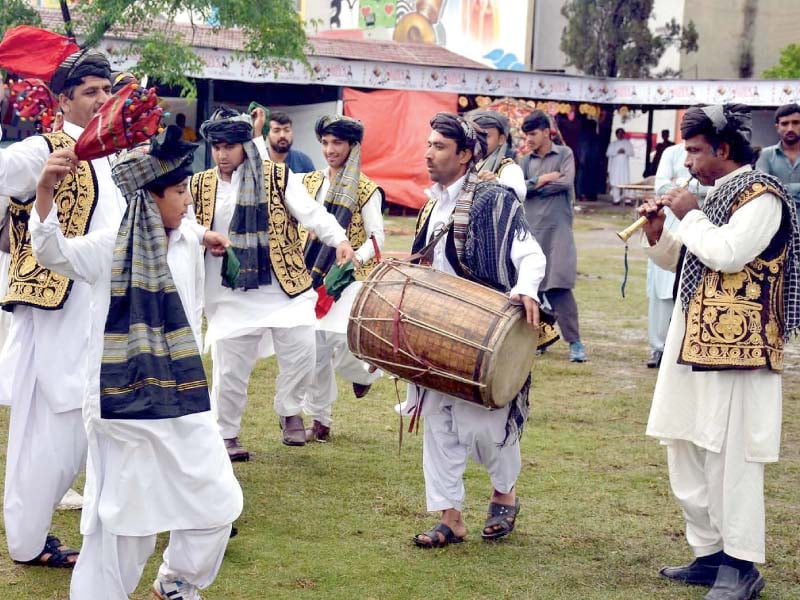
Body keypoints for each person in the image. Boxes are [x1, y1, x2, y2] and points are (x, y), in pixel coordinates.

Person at [29, 125, 242, 600]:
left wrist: (208, 236)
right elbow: (51, 251)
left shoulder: (186, 239)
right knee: (126, 525)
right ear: (149, 198)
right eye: (180, 191)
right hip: (123, 406)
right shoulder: (108, 249)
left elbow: (191, 230)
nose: (188, 201)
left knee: (218, 504)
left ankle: (175, 585)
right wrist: (45, 190)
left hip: (185, 397)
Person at [639, 104, 800, 600]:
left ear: (723, 150)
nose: (686, 161)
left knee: (731, 457)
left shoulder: (762, 197)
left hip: (741, 348)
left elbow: (727, 253)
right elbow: (684, 260)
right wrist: (657, 233)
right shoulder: (711, 197)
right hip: (692, 339)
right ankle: (708, 554)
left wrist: (688, 214)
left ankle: (741, 564)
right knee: (683, 443)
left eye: (694, 150)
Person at [0, 30, 127, 568]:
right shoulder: (41, 149)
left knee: (84, 421)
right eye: (90, 91)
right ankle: (27, 540)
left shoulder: (113, 153)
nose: (101, 100)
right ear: (63, 100)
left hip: (104, 304)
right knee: (52, 424)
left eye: (106, 90)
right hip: (56, 306)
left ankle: (42, 531)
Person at [408, 113, 545, 548]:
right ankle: (450, 517)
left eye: (440, 147)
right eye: (428, 144)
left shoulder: (493, 198)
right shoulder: (432, 204)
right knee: (438, 422)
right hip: (435, 330)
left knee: (483, 428)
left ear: (465, 154)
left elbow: (530, 253)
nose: (429, 153)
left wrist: (525, 289)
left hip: (483, 334)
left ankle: (505, 494)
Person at [188, 107, 354, 455]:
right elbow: (183, 223)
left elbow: (312, 212)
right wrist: (204, 235)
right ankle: (227, 434)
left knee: (302, 349)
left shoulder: (278, 177)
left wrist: (339, 239)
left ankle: (289, 409)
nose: (222, 154)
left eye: (229, 146)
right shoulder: (199, 184)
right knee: (230, 370)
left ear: (246, 146)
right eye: (216, 146)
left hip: (284, 287)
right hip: (230, 291)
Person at [296, 115, 384, 442]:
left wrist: (353, 257)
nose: (330, 149)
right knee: (316, 345)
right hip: (311, 274)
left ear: (352, 146)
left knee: (342, 339)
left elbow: (378, 238)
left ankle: (365, 373)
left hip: (351, 277)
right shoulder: (308, 182)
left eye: (337, 143)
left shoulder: (366, 188)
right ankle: (319, 420)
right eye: (325, 142)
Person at [520, 110, 587, 363]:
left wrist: (535, 187)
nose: (529, 139)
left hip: (558, 232)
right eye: (526, 135)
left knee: (560, 288)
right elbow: (520, 189)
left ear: (547, 132)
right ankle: (539, 339)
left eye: (533, 134)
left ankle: (575, 343)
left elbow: (566, 182)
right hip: (531, 232)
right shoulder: (525, 161)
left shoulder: (565, 154)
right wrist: (543, 179)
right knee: (531, 288)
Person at [646, 143, 709, 369]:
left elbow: (710, 188)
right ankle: (658, 347)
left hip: (699, 219)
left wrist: (684, 192)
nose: (688, 161)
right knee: (661, 290)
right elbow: (660, 185)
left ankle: (685, 346)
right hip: (671, 221)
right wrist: (682, 192)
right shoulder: (671, 153)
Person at [471, 110, 526, 202]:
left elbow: (520, 194)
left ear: (501, 139)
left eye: (486, 136)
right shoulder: (472, 163)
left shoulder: (509, 168)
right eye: (477, 136)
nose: (480, 141)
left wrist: (496, 182)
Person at [756, 103, 800, 208]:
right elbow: (763, 189)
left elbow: (773, 189)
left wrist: (779, 189)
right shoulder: (765, 155)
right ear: (777, 127)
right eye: (784, 124)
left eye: (796, 123)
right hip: (778, 221)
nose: (790, 128)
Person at [606, 127, 634, 204]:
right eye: (619, 133)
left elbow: (631, 153)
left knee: (626, 182)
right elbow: (608, 153)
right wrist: (617, 151)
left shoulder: (627, 143)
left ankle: (627, 199)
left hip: (624, 167)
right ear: (616, 134)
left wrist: (625, 151)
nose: (620, 135)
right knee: (615, 182)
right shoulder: (613, 144)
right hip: (615, 167)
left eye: (622, 133)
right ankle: (616, 199)